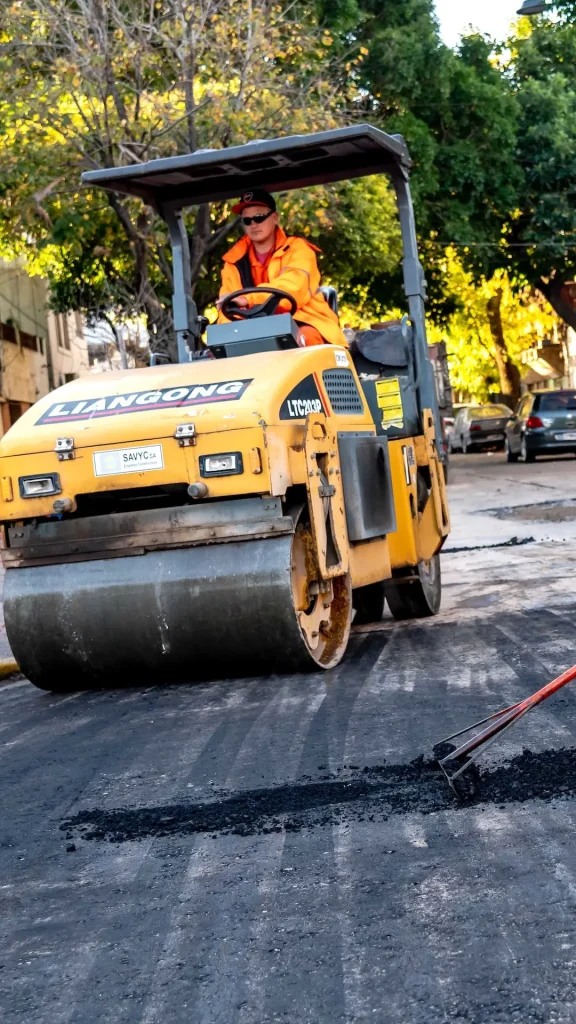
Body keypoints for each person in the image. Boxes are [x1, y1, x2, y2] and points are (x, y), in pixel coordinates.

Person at [217, 189, 347, 347]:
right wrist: (225, 338)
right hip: (255, 330)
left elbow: (292, 289)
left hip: (304, 321)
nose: (253, 225)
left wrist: (248, 299)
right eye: (247, 220)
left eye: (259, 218)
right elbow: (226, 307)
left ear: (274, 218)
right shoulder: (233, 261)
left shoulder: (298, 249)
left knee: (304, 342)